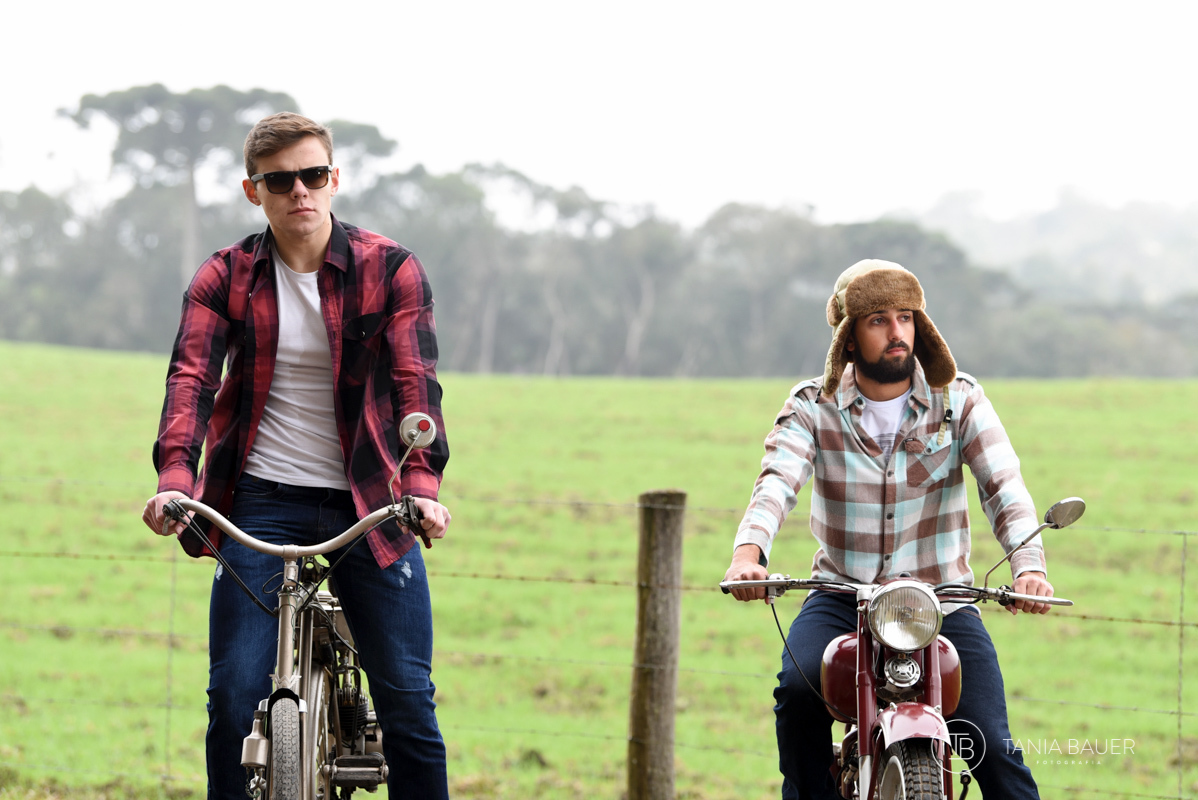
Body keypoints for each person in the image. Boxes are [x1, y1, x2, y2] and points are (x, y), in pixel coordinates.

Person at [140, 112, 452, 799]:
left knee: (407, 698)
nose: (299, 193)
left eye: (312, 176)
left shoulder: (389, 268)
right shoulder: (224, 276)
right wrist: (174, 480)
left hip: (368, 501)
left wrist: (422, 484)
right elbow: (191, 377)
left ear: (335, 178)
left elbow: (414, 385)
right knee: (231, 697)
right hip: (258, 501)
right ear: (255, 192)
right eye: (279, 181)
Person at [723, 259, 1054, 799]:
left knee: (991, 746)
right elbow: (776, 482)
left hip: (942, 601)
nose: (897, 331)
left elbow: (1004, 486)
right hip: (841, 595)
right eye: (878, 319)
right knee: (798, 692)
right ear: (848, 337)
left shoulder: (959, 399)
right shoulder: (813, 405)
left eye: (905, 317)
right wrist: (748, 554)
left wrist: (1029, 567)